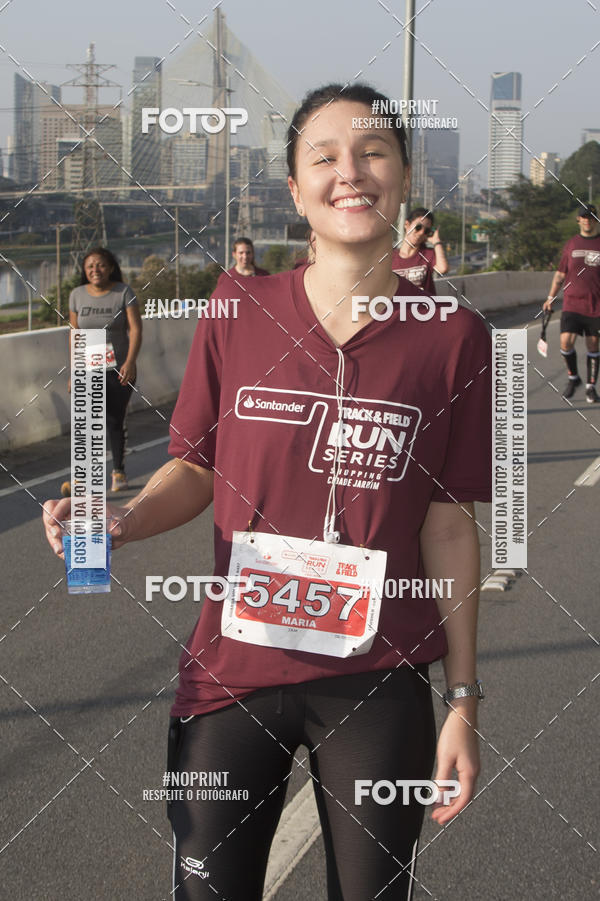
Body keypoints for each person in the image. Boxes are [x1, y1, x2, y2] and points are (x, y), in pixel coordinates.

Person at [44, 83, 491, 900]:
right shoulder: (235, 308)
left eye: (373, 152)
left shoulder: (454, 336)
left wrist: (462, 699)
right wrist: (121, 518)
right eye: (324, 157)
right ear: (294, 188)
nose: (349, 173)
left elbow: (450, 524)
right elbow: (195, 465)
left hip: (377, 676)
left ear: (402, 174)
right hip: (232, 673)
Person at [69, 247, 142, 491]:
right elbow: (75, 333)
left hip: (118, 368)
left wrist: (130, 362)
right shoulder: (77, 295)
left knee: (113, 420)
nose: (95, 270)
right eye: (90, 267)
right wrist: (75, 369)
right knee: (87, 420)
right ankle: (83, 476)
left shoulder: (123, 292)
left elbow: (135, 329)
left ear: (110, 267)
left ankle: (118, 472)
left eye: (100, 265)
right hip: (88, 367)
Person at [543, 204, 600, 402]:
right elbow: (560, 274)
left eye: (591, 217)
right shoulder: (571, 244)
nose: (587, 220)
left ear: (595, 220)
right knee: (565, 342)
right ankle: (573, 378)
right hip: (572, 303)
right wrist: (550, 298)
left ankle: (591, 387)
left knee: (593, 346)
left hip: (595, 306)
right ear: (578, 220)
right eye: (584, 217)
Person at [391, 207, 448, 294]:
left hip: (425, 307)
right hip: (399, 306)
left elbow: (443, 269)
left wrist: (436, 242)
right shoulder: (391, 257)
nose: (421, 232)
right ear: (407, 225)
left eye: (426, 231)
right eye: (418, 227)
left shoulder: (428, 254)